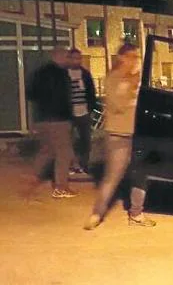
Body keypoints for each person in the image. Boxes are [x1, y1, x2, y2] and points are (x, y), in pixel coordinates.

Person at [84, 43, 155, 230]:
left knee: (141, 174)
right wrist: (132, 85)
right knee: (112, 178)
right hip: (118, 136)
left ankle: (136, 213)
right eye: (131, 56)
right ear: (121, 57)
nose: (134, 61)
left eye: (136, 57)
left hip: (137, 135)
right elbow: (118, 104)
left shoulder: (137, 79)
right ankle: (96, 214)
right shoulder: (114, 78)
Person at [24, 47, 77, 199]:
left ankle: (32, 176)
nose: (68, 60)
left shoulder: (40, 73)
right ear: (59, 57)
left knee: (47, 150)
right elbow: (64, 98)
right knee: (64, 152)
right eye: (67, 57)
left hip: (42, 118)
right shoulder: (61, 74)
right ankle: (61, 187)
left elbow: (30, 93)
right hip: (58, 119)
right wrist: (68, 115)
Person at [67, 48, 97, 175]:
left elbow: (91, 92)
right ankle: (72, 165)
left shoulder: (85, 74)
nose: (76, 61)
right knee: (70, 140)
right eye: (74, 58)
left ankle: (84, 165)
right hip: (69, 113)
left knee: (86, 140)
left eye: (78, 58)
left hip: (84, 111)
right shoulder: (64, 74)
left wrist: (91, 109)